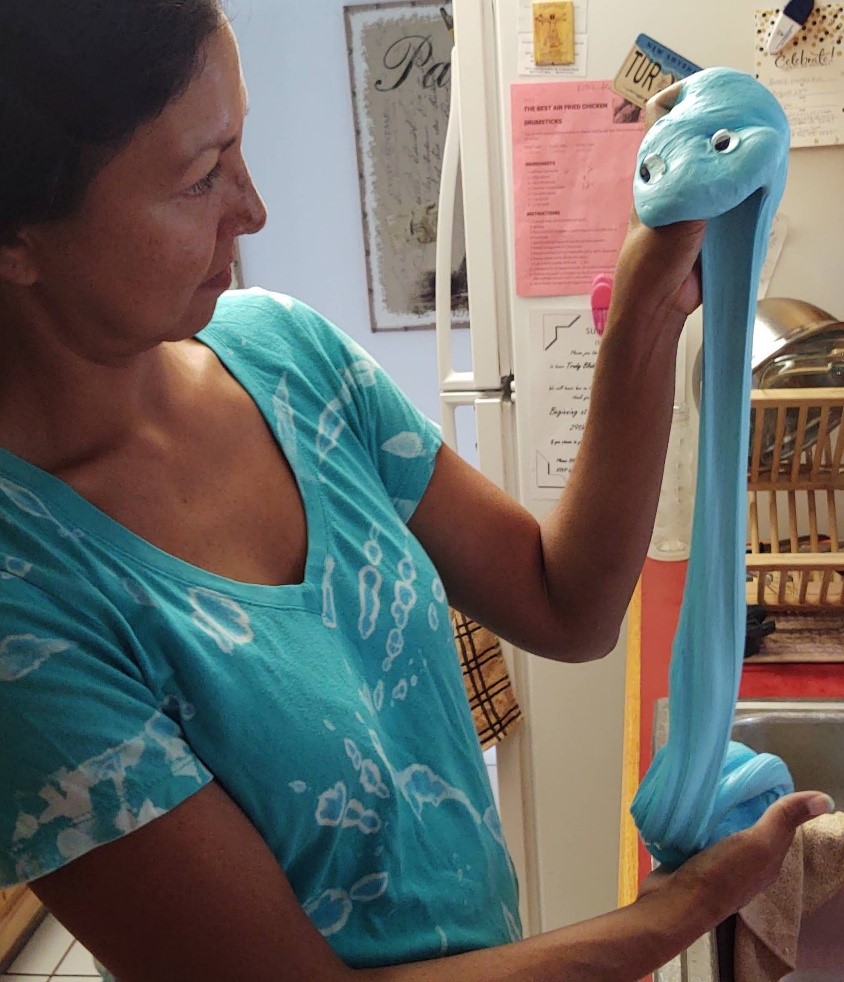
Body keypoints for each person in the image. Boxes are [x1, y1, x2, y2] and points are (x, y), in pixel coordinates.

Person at [0, 3, 832, 981]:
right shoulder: (27, 605)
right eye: (200, 176)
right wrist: (680, 910)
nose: (254, 207)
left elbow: (562, 600)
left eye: (243, 142)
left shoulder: (283, 354)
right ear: (18, 239)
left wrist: (649, 291)